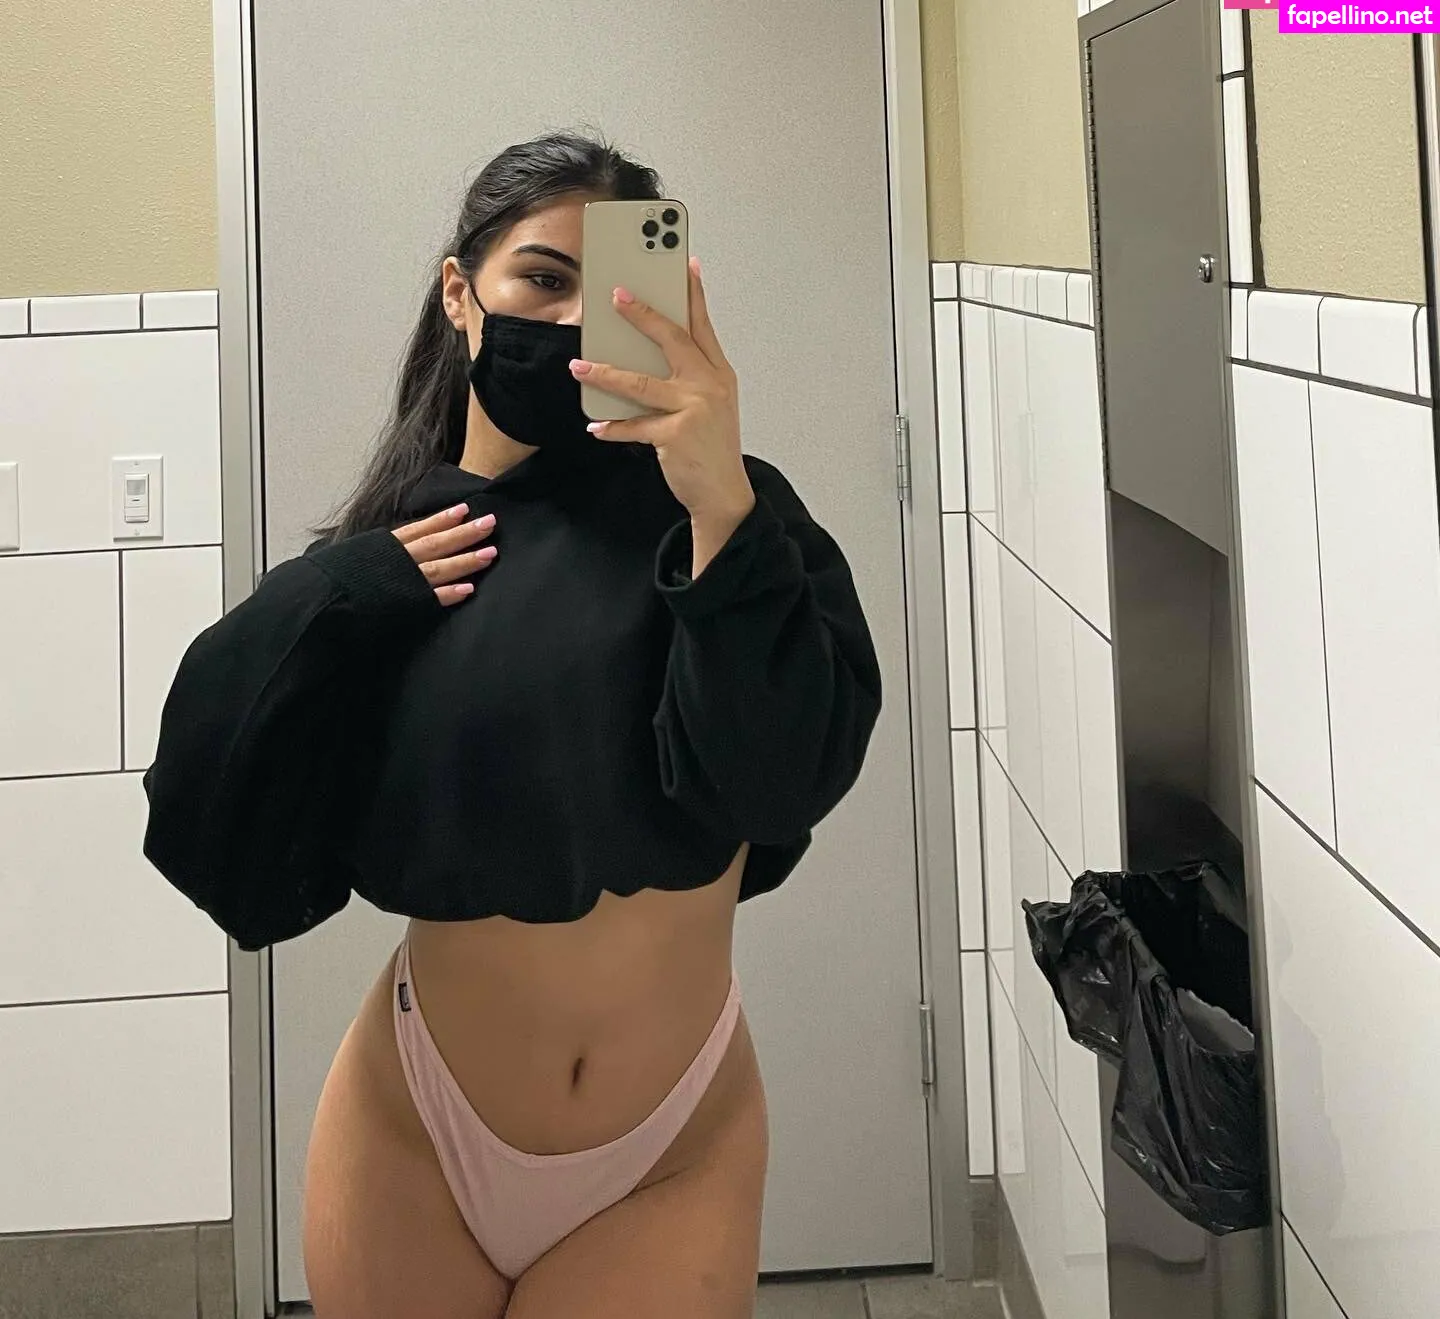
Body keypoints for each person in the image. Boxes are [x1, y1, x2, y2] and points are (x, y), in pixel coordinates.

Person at [143, 131, 880, 1319]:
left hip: (671, 1142)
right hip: (414, 1127)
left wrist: (721, 503)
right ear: (460, 294)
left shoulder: (734, 521)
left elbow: (779, 779)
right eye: (544, 277)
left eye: (617, 290)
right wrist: (340, 591)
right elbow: (206, 814)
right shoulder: (393, 558)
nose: (579, 316)